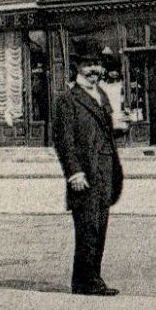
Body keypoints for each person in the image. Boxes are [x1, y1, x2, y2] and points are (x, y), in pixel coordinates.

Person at [51, 43, 124, 296]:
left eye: (97, 64)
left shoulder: (101, 95)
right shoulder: (67, 100)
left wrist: (120, 127)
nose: (94, 69)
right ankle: (86, 281)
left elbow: (107, 130)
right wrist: (74, 173)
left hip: (105, 171)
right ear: (77, 68)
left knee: (99, 226)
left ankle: (89, 279)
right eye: (88, 65)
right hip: (85, 174)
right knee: (87, 228)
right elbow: (64, 141)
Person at [100, 67, 129, 141]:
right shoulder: (104, 84)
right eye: (112, 72)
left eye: (116, 72)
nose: (114, 74)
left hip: (117, 106)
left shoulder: (121, 84)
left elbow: (123, 96)